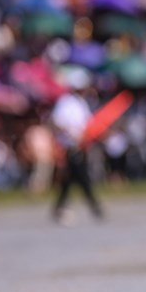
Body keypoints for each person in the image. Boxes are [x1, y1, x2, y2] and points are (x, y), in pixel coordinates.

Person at [50, 70, 104, 224]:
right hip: (70, 147)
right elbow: (57, 123)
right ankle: (95, 207)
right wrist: (71, 135)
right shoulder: (65, 102)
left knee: (70, 181)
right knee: (82, 178)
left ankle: (59, 207)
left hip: (81, 146)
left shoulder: (81, 102)